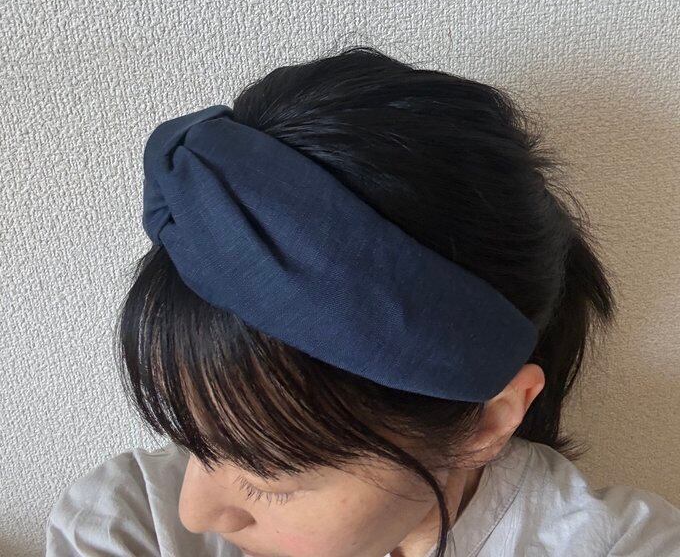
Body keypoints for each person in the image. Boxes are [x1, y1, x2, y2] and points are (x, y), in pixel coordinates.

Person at [45, 46, 680, 556]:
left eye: (270, 479)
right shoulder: (131, 523)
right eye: (193, 437)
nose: (197, 511)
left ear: (489, 420)